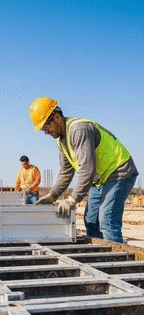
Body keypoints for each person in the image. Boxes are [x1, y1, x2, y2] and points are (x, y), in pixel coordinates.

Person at [31, 97, 138, 244]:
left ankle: (117, 262)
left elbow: (87, 168)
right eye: (42, 129)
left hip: (118, 172)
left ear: (56, 117)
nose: (45, 132)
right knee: (91, 220)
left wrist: (72, 199)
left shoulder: (79, 130)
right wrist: (52, 195)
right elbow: (66, 172)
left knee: (107, 219)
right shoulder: (62, 141)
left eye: (46, 126)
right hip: (100, 180)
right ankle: (99, 260)